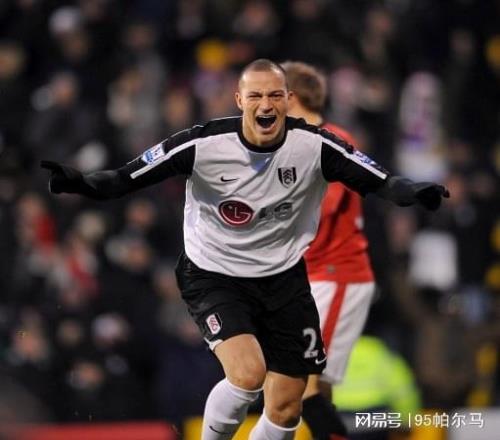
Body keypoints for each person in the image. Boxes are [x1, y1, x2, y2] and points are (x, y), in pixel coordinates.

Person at [41, 59, 449, 440]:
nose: (265, 105)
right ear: (239, 100)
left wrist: (416, 192)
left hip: (284, 279)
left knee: (287, 407)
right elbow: (125, 178)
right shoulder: (202, 144)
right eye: (255, 96)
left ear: (288, 100)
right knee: (248, 375)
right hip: (214, 276)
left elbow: (380, 181)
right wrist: (82, 183)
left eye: (274, 95)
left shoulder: (315, 147)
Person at [282, 60, 376, 440]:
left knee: (302, 387)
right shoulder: (295, 144)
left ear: (290, 97)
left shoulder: (333, 140)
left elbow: (323, 210)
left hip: (337, 275)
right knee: (312, 388)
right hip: (314, 277)